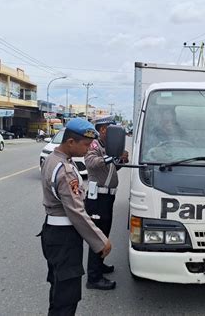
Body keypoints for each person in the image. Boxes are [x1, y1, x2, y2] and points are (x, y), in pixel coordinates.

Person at [39, 118, 112, 315]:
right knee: (67, 296)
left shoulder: (54, 159)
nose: (88, 149)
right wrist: (100, 241)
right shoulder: (65, 170)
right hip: (64, 237)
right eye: (86, 145)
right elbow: (76, 211)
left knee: (58, 289)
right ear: (71, 142)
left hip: (53, 234)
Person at [84, 118, 129, 290]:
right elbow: (91, 162)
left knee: (104, 233)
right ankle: (93, 278)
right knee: (97, 236)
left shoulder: (107, 147)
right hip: (98, 198)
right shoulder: (95, 145)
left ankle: (99, 265)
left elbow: (111, 169)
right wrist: (111, 157)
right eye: (111, 129)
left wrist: (121, 160)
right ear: (103, 130)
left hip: (108, 197)